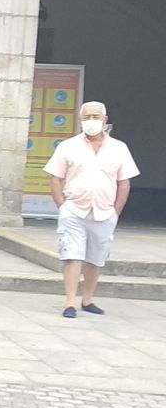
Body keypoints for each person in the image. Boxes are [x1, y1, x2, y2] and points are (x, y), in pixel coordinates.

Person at [44, 101, 139, 318]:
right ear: (80, 120)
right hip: (74, 210)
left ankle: (88, 300)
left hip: (104, 212)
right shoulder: (67, 146)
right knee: (72, 255)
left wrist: (116, 210)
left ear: (105, 121)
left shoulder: (119, 148)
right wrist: (62, 205)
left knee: (96, 258)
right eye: (87, 117)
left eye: (96, 117)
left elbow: (124, 182)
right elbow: (55, 178)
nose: (92, 121)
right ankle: (70, 303)